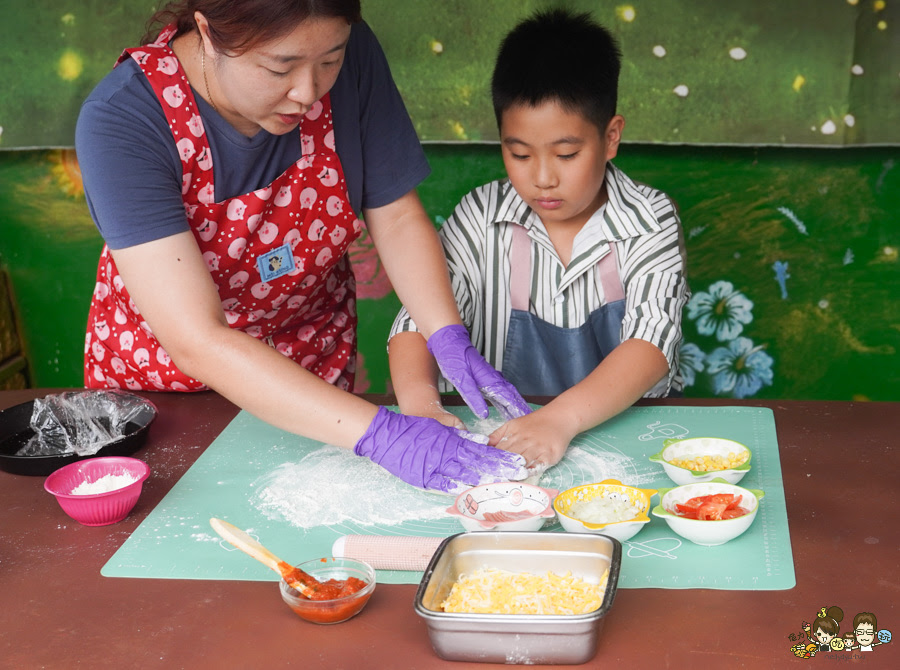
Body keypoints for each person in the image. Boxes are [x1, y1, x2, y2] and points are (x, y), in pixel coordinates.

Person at [76, 0, 531, 494]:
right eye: (279, 67)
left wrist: (444, 332)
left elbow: (396, 215)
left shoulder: (338, 48)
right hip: (169, 395)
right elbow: (197, 339)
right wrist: (384, 435)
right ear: (207, 33)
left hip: (313, 385)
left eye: (329, 62)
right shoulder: (123, 119)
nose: (308, 92)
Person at [388, 9, 689, 467]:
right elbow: (417, 323)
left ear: (611, 138)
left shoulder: (651, 219)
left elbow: (650, 344)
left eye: (567, 154)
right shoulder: (480, 215)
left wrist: (559, 419)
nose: (543, 178)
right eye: (520, 153)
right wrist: (421, 406)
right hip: (498, 438)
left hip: (630, 436)